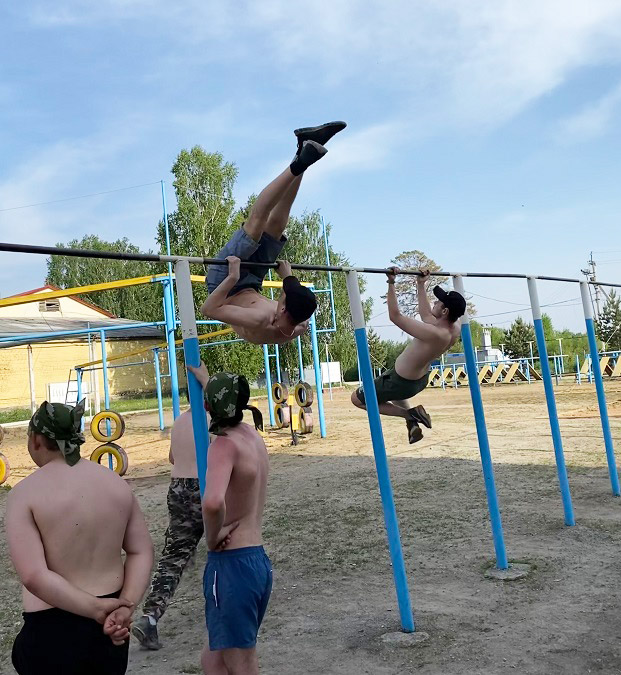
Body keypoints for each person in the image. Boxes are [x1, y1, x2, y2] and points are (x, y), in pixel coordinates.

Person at [6, 400, 154, 675]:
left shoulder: (24, 494)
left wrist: (94, 608)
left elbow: (34, 576)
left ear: (36, 440)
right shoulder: (115, 483)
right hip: (112, 622)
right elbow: (141, 551)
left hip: (52, 625)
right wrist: (125, 605)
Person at [201, 122, 347, 344]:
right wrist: (288, 277)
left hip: (226, 282)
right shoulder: (301, 323)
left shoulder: (259, 320)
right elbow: (296, 299)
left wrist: (233, 277)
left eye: (282, 295)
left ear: (283, 308)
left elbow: (209, 309)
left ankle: (298, 165)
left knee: (255, 224)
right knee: (277, 226)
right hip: (253, 281)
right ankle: (303, 149)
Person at [197, 370, 272, 675]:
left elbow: (213, 502)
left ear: (207, 406)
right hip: (255, 561)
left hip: (231, 564)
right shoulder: (252, 437)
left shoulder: (223, 445)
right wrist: (207, 379)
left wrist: (212, 537)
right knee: (213, 660)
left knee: (241, 664)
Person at [131, 365, 210, 651]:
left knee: (173, 558)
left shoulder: (180, 421)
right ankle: (226, 608)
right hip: (205, 487)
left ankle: (150, 618)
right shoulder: (212, 421)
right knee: (225, 549)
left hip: (178, 490)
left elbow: (172, 458)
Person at [351, 268, 466, 443]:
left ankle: (410, 414)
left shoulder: (435, 333)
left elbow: (395, 316)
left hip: (400, 381)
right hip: (417, 380)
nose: (435, 302)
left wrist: (391, 282)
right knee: (396, 396)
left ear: (445, 312)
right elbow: (426, 314)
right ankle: (411, 423)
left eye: (438, 302)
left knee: (357, 399)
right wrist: (421, 284)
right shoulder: (453, 327)